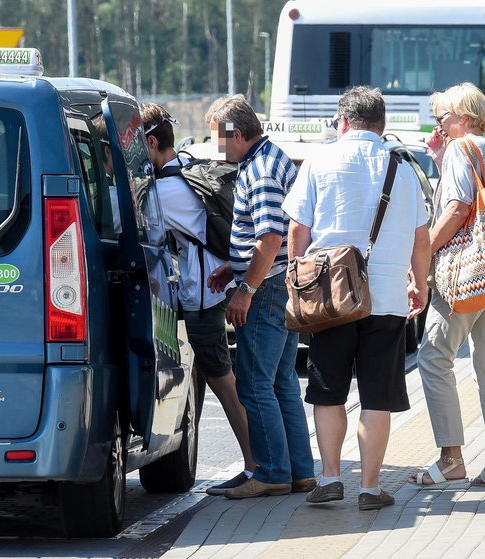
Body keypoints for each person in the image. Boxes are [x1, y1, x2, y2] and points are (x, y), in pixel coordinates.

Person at [282, 86, 431, 510]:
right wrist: (418, 283)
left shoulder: (319, 160)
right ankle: (369, 487)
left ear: (342, 121)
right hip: (385, 297)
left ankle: (330, 477)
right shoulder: (402, 167)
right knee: (377, 394)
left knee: (328, 389)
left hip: (331, 297)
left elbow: (298, 230)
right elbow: (421, 238)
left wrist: (299, 278)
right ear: (382, 126)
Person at [138, 102, 257, 493]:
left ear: (152, 143)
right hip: (213, 289)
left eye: (135, 146)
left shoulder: (164, 192)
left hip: (202, 298)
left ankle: (256, 465)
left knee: (222, 379)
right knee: (205, 376)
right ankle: (197, 459)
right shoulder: (187, 170)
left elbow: (124, 226)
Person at [205, 94, 316, 499]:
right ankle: (299, 471)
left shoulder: (262, 170)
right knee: (282, 380)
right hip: (276, 282)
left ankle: (271, 472)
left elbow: (269, 237)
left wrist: (245, 288)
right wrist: (233, 266)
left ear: (236, 134)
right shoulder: (271, 158)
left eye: (218, 138)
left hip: (266, 287)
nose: (216, 147)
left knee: (253, 383)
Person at [412, 82, 485, 488]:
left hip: (465, 273)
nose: (439, 123)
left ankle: (451, 457)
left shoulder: (461, 149)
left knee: (434, 356)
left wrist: (423, 252)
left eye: (444, 116)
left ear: (465, 116)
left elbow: (457, 208)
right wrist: (442, 159)